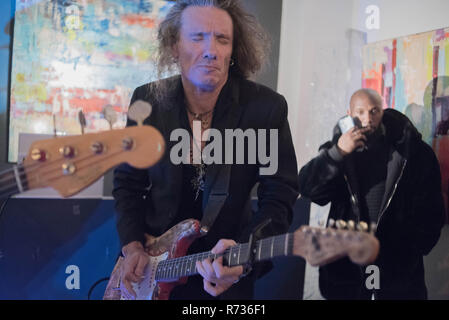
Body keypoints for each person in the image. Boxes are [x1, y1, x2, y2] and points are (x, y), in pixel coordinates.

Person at [108, 0, 298, 300]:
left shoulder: (265, 109)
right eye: (197, 37)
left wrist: (244, 255)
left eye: (222, 39)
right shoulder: (147, 101)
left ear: (234, 50)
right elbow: (127, 184)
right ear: (174, 46)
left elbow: (279, 195)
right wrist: (132, 246)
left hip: (226, 275)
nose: (211, 50)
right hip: (153, 271)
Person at [298, 88, 445, 300]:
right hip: (346, 273)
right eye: (360, 112)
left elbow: (432, 212)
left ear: (382, 111)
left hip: (399, 277)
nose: (367, 118)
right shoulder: (339, 149)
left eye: (374, 111)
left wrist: (407, 251)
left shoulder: (414, 151)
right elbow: (309, 189)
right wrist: (337, 154)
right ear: (349, 113)